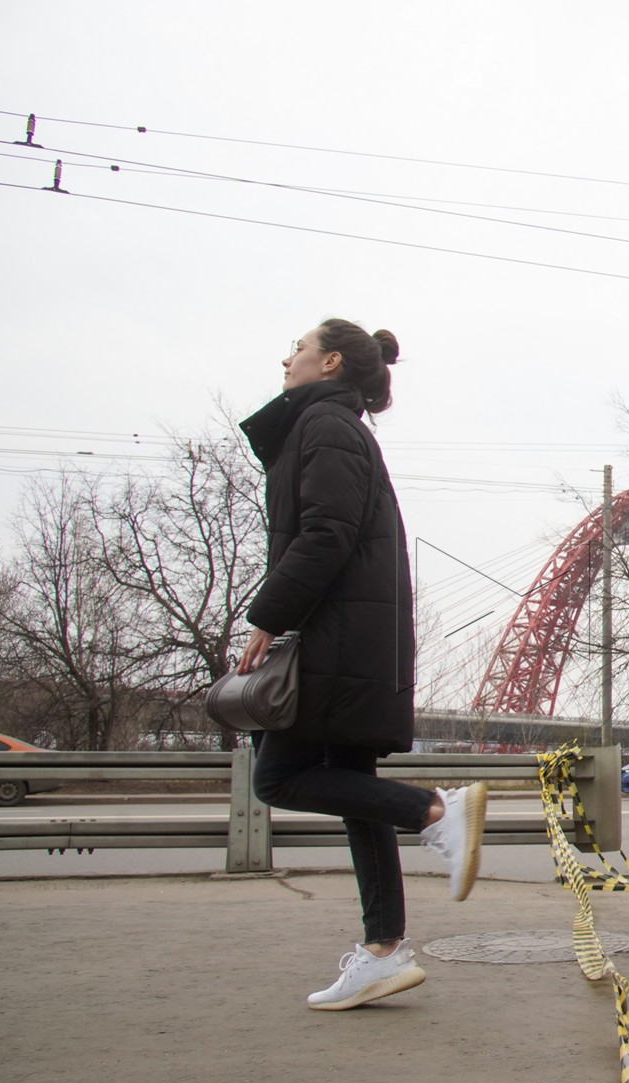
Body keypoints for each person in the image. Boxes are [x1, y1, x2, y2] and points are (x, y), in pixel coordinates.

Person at [237, 319, 486, 1011]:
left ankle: (435, 810)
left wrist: (269, 615)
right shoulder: (332, 426)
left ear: (330, 362)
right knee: (349, 786)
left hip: (335, 636)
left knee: (281, 776)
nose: (287, 356)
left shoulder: (326, 428)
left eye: (298, 347)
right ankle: (383, 953)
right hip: (347, 633)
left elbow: (326, 534)